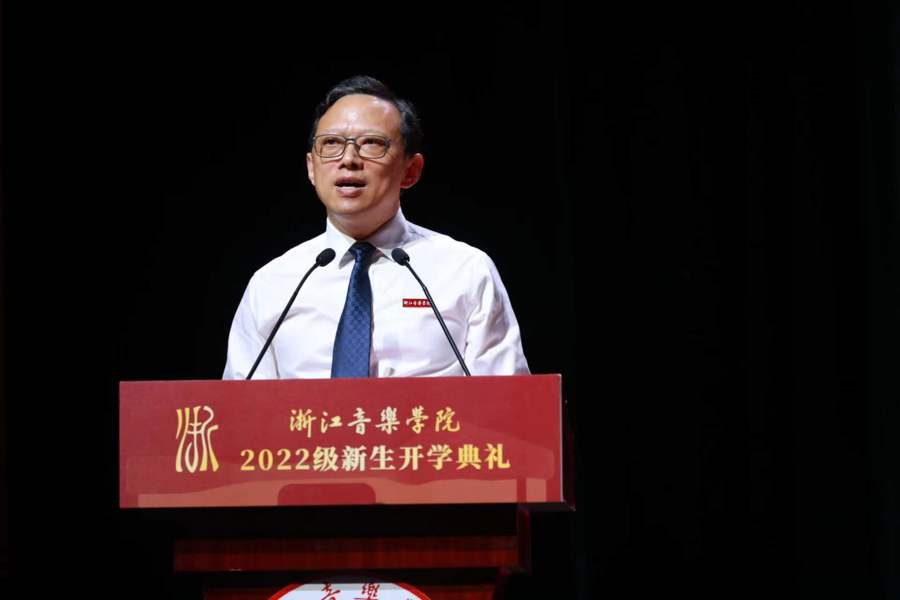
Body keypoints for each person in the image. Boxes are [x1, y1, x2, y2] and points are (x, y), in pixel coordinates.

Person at [223, 75, 529, 379]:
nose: (349, 159)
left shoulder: (466, 271)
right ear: (311, 168)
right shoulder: (273, 284)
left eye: (371, 144)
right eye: (331, 143)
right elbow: (239, 405)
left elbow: (506, 401)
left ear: (411, 171)